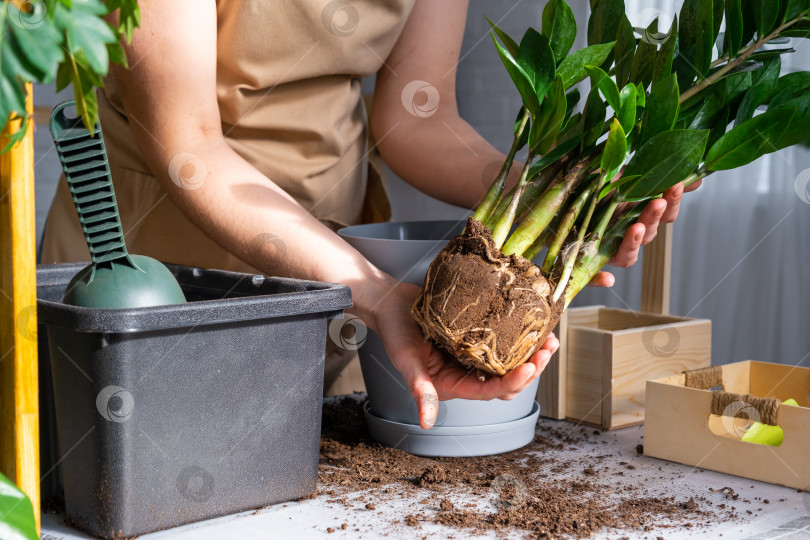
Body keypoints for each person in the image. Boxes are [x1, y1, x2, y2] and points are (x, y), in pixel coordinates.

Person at [42, 1, 697, 430]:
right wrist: (375, 291)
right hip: (160, 258)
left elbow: (418, 115)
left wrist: (555, 197)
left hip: (330, 258)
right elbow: (189, 149)